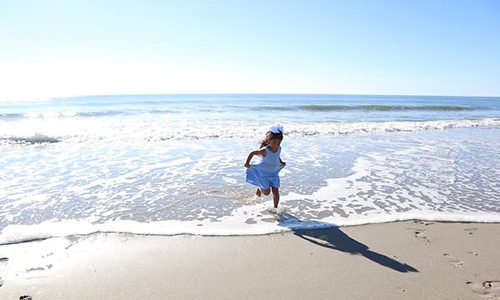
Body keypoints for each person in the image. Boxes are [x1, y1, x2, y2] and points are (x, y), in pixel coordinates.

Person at [244, 124, 286, 209]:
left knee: (275, 190)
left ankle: (275, 208)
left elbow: (277, 156)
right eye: (274, 142)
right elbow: (252, 153)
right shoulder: (264, 151)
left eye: (278, 143)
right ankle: (260, 188)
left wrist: (281, 162)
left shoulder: (279, 148)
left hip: (273, 173)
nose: (276, 145)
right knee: (266, 193)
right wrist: (247, 163)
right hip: (263, 173)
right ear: (268, 141)